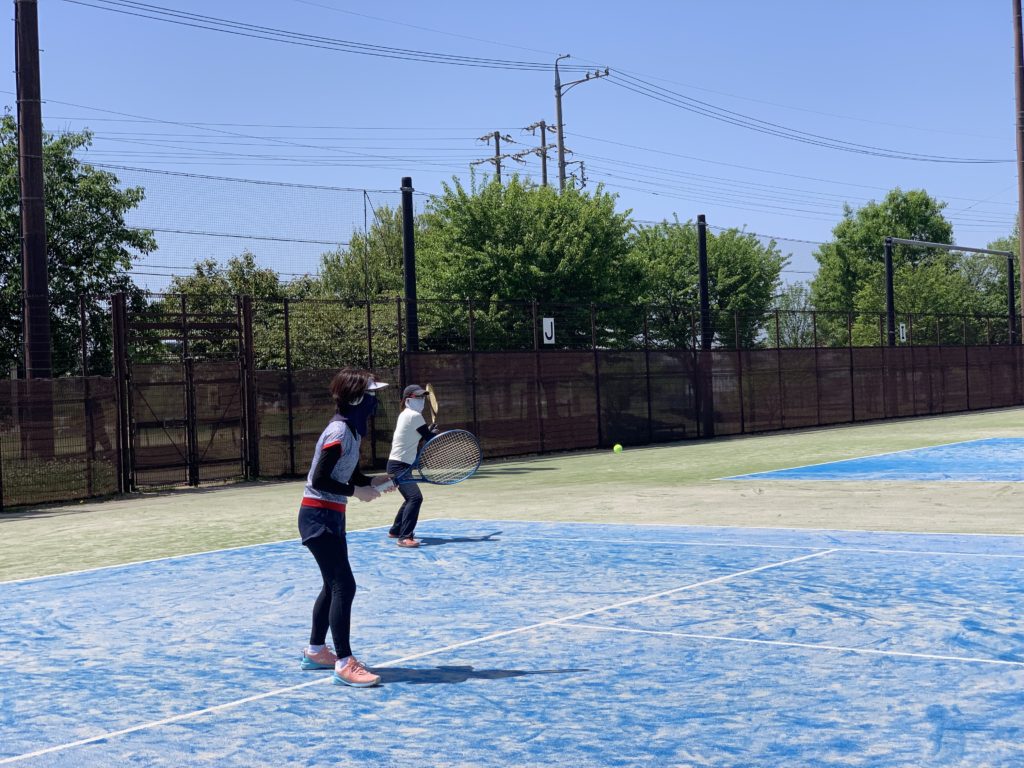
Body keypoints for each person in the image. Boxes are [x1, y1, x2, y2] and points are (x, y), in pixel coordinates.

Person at [298, 367, 394, 688]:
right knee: (344, 586)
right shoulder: (338, 432)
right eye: (370, 395)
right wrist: (357, 492)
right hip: (317, 517)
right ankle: (344, 662)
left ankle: (315, 652)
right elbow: (320, 479)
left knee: (332, 585)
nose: (374, 402)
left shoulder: (352, 432)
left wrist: (375, 481)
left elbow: (350, 476)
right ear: (355, 399)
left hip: (331, 516)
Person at [386, 384, 439, 548]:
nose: (421, 400)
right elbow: (429, 438)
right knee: (415, 498)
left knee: (410, 497)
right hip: (398, 466)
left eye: (423, 397)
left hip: (398, 465)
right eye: (418, 397)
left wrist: (428, 432)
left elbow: (419, 436)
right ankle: (404, 537)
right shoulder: (414, 416)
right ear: (408, 400)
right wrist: (431, 433)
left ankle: (395, 530)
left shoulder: (405, 415)